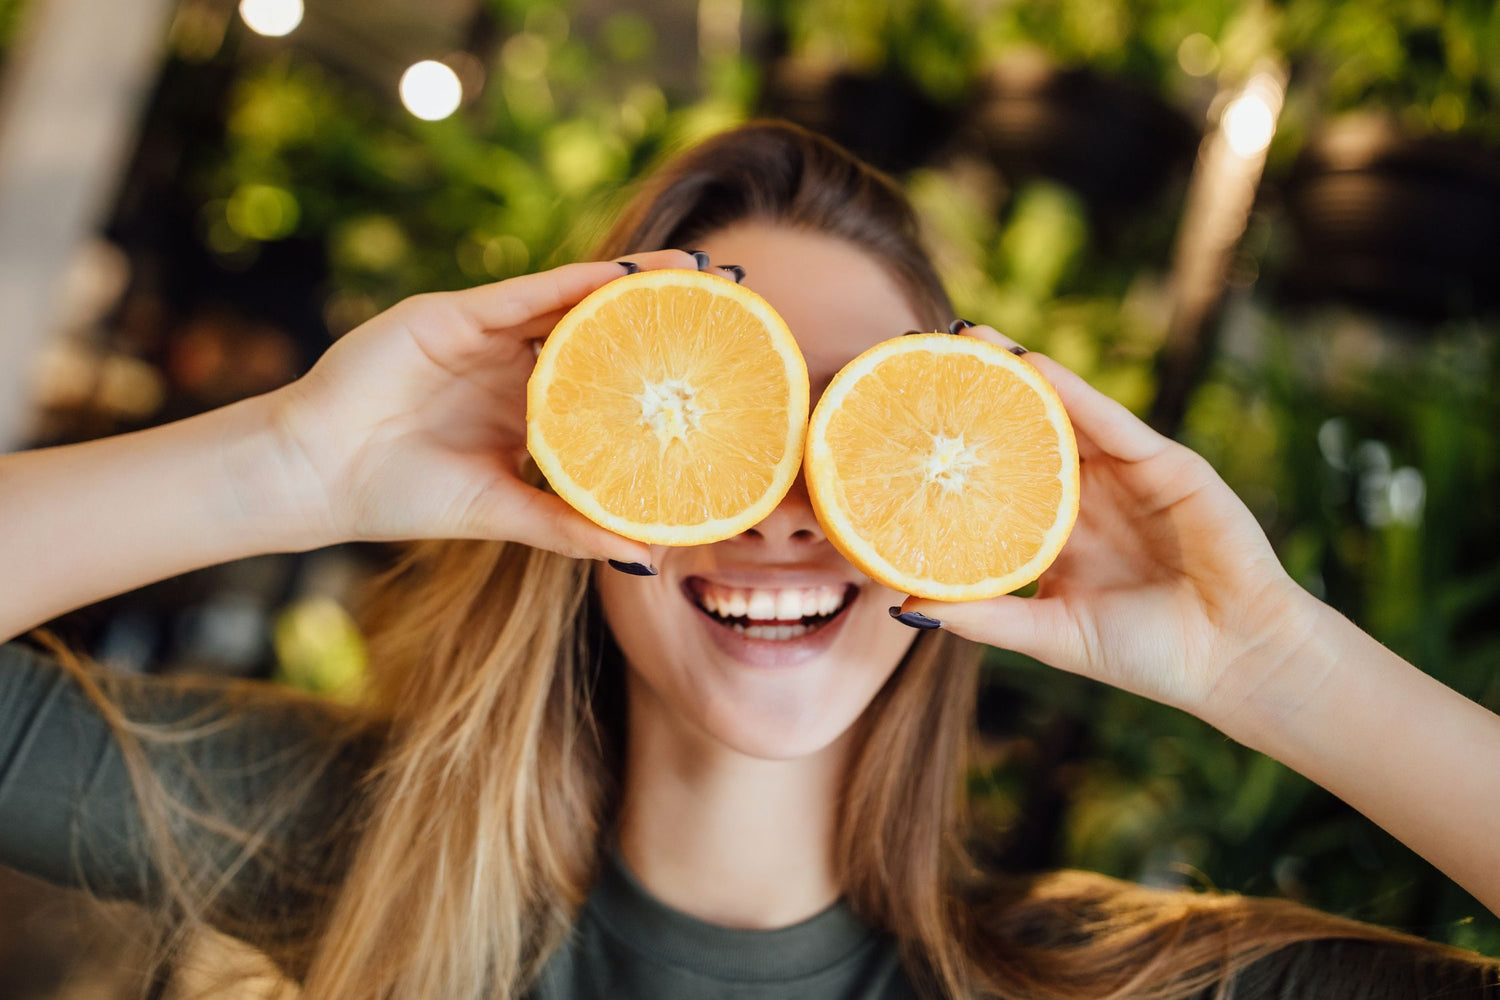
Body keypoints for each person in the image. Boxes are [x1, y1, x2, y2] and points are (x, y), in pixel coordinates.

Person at [1, 121, 1497, 1000]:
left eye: (855, 419)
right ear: (564, 459)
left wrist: (1280, 669)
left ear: (956, 484)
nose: (785, 508)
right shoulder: (356, 847)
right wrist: (288, 466)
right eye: (713, 416)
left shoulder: (1130, 988)